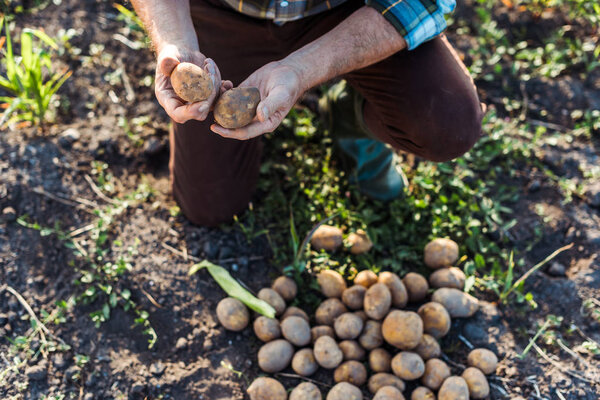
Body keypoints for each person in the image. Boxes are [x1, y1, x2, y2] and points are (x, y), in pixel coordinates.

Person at [131, 0, 484, 226]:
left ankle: (347, 112)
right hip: (222, 12)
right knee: (210, 207)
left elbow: (422, 2)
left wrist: (304, 69)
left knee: (446, 124)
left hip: (348, 12)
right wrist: (174, 40)